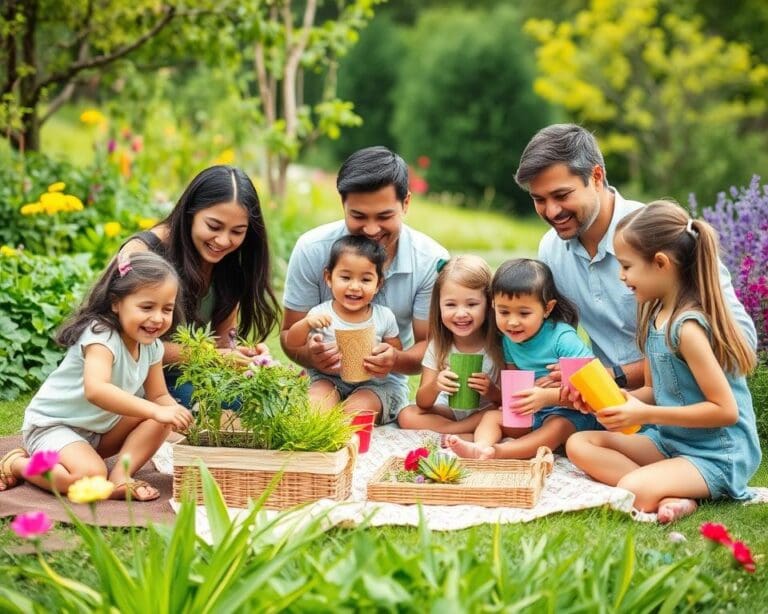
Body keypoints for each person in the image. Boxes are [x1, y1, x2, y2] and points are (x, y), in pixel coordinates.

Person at [515, 124, 757, 390]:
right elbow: (551, 338)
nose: (551, 211)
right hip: (607, 406)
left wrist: (614, 375)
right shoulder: (551, 250)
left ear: (596, 177)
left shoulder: (660, 234)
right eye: (539, 199)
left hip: (680, 409)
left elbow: (740, 340)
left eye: (562, 195)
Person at [566, 201, 762, 523]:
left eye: (627, 266)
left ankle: (665, 487)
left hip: (716, 453)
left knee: (631, 489)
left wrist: (644, 414)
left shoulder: (687, 328)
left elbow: (725, 411)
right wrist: (614, 403)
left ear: (660, 263)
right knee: (579, 443)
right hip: (672, 441)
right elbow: (656, 391)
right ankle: (673, 489)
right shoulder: (655, 314)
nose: (621, 276)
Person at [0, 252, 194, 501]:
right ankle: (18, 464)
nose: (158, 318)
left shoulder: (152, 346)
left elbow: (159, 395)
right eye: (147, 307)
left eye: (167, 309)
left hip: (97, 432)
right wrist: (156, 410)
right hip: (53, 426)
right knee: (90, 477)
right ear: (116, 303)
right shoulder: (101, 336)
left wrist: (183, 419)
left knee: (163, 417)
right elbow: (96, 390)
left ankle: (121, 477)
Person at [280, 146, 449, 424]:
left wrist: (393, 359)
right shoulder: (312, 250)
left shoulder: (430, 261)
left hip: (381, 383)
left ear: (406, 203)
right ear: (343, 205)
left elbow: (429, 346)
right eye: (358, 216)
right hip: (323, 378)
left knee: (354, 418)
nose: (371, 230)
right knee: (313, 417)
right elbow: (289, 335)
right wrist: (310, 356)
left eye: (384, 217)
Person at [120, 165, 280, 407]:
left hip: (188, 374)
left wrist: (243, 356)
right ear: (190, 213)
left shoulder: (230, 264)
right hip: (136, 380)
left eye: (237, 231)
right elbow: (123, 340)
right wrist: (212, 356)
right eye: (214, 227)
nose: (224, 241)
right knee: (201, 404)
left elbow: (222, 342)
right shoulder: (146, 252)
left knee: (261, 401)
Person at [448, 258, 596, 460]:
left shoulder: (562, 338)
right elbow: (513, 389)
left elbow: (592, 390)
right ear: (493, 305)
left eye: (524, 313)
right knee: (492, 417)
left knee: (557, 425)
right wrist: (497, 394)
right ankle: (480, 446)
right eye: (503, 312)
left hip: (570, 413)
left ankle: (497, 452)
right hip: (532, 413)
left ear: (547, 308)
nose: (512, 322)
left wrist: (548, 397)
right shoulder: (510, 340)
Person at [285, 235, 402, 419]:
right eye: (346, 277)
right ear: (329, 278)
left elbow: (395, 349)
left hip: (371, 384)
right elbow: (292, 341)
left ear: (378, 284)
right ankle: (321, 423)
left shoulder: (384, 316)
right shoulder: (321, 314)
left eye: (365, 280)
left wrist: (386, 355)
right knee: (315, 405)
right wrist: (307, 325)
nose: (355, 287)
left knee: (358, 410)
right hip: (328, 379)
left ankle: (347, 423)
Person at [398, 255, 502, 435]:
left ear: (488, 304)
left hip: (487, 412)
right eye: (451, 305)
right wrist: (436, 386)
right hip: (450, 412)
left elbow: (505, 401)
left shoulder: (499, 345)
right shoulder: (438, 345)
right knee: (407, 414)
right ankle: (459, 431)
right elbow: (423, 402)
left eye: (472, 304)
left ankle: (457, 431)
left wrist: (492, 391)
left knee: (503, 413)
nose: (461, 313)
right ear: (439, 306)